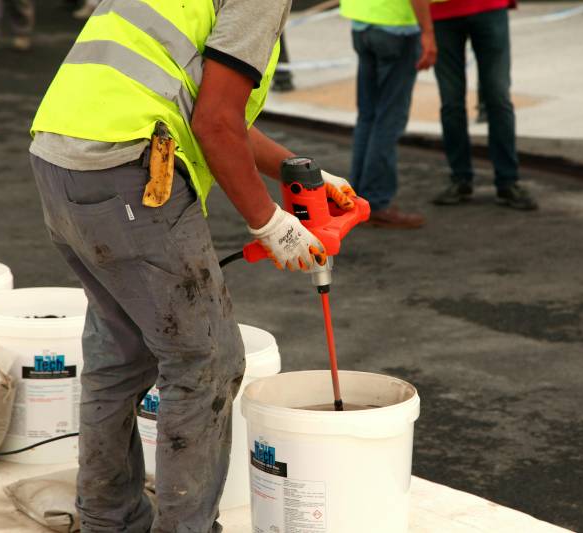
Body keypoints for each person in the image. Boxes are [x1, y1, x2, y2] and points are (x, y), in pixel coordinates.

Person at [27, 0, 356, 531]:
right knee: (206, 363)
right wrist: (270, 224)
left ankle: (109, 521)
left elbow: (201, 106)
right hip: (130, 171)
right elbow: (215, 123)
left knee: (120, 352)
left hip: (60, 158)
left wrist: (303, 175)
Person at [430, 0, 538, 210]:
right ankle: (460, 179)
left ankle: (507, 181)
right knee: (452, 102)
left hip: (488, 7)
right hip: (442, 12)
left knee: (498, 97)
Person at [340, 0, 437, 229]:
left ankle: (357, 200)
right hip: (396, 27)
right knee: (389, 119)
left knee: (368, 116)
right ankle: (376, 201)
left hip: (362, 24)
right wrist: (428, 32)